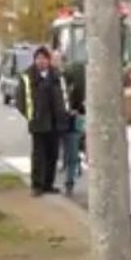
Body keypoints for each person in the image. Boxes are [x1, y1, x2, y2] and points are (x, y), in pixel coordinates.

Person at [15, 47, 70, 196]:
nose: (42, 61)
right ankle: (36, 185)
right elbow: (20, 100)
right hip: (38, 122)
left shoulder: (57, 75)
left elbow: (65, 95)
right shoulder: (27, 76)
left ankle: (48, 184)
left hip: (56, 121)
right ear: (35, 60)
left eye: (44, 58)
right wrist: (31, 115)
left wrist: (65, 113)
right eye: (39, 58)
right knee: (39, 155)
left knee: (53, 154)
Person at [53, 51, 83, 196]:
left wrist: (77, 109)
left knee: (71, 151)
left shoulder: (73, 79)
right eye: (54, 60)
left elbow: (79, 94)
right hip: (56, 122)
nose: (56, 63)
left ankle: (69, 182)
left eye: (58, 60)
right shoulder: (50, 80)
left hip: (71, 121)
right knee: (56, 151)